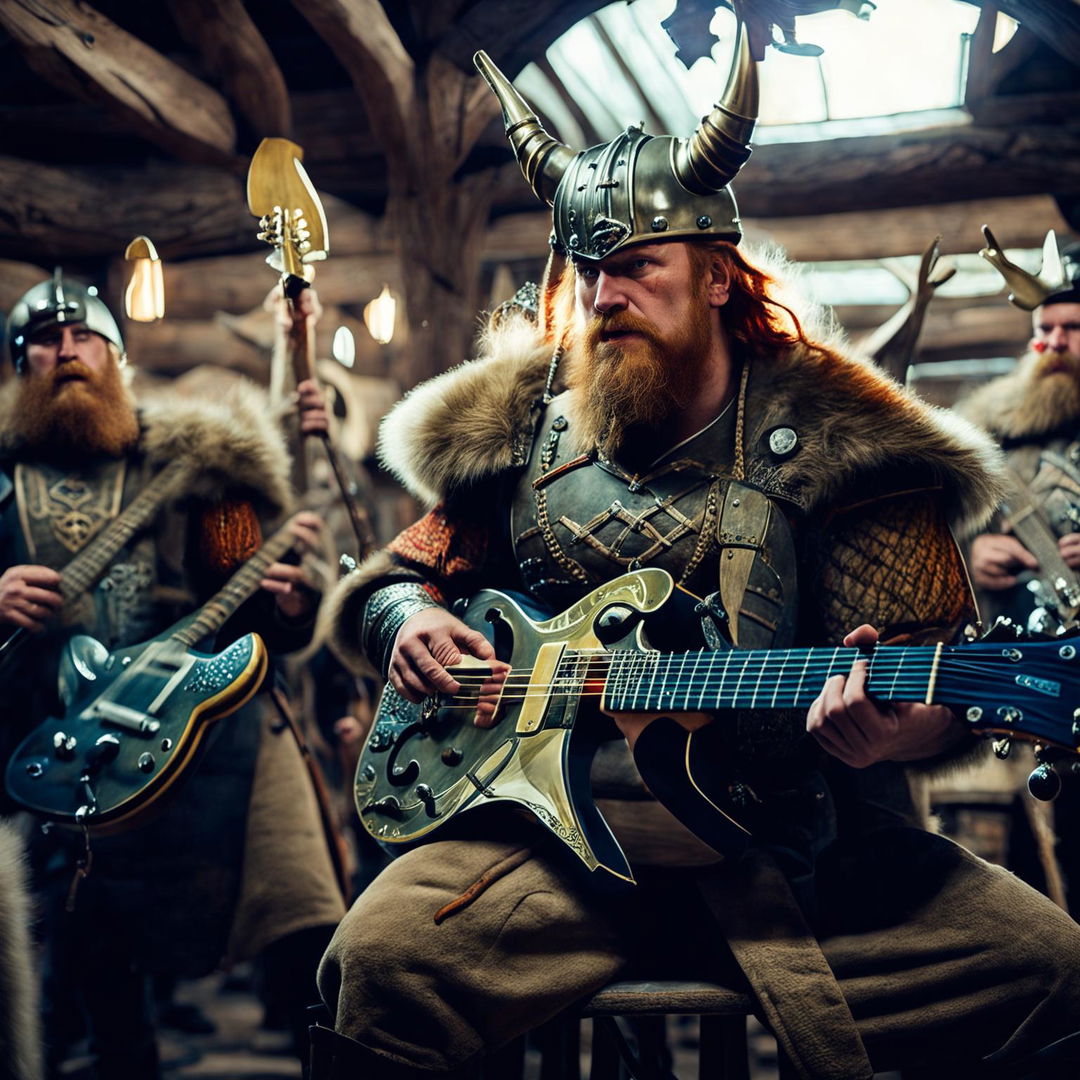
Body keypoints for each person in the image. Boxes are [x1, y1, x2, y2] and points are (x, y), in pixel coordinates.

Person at [315, 24, 1080, 1080]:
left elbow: (928, 664)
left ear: (718, 277)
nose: (602, 298)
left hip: (797, 854)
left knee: (1051, 970)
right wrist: (409, 621)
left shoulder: (838, 443)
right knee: (374, 967)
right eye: (589, 273)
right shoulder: (519, 431)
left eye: (635, 268)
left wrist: (891, 734)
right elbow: (396, 581)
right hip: (544, 857)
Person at [0, 272, 347, 1078]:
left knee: (303, 923)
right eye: (46, 342)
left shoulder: (194, 473)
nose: (66, 353)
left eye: (85, 339)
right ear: (21, 368)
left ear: (118, 360)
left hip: (199, 744)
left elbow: (250, 607)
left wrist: (291, 605)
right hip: (42, 756)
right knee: (84, 960)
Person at [952, 230, 1080, 916]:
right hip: (1044, 690)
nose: (1052, 344)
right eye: (1044, 328)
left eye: (1071, 328)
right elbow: (940, 555)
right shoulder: (990, 444)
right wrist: (974, 561)